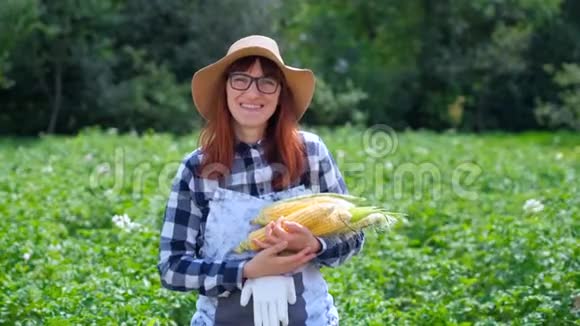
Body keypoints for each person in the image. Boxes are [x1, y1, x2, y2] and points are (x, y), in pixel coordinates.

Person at [157, 35, 365, 326]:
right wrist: (247, 270)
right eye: (240, 79)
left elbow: (353, 236)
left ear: (281, 93)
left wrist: (315, 245)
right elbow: (172, 267)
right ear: (225, 89)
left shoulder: (311, 154)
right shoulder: (197, 169)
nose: (254, 93)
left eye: (267, 82)